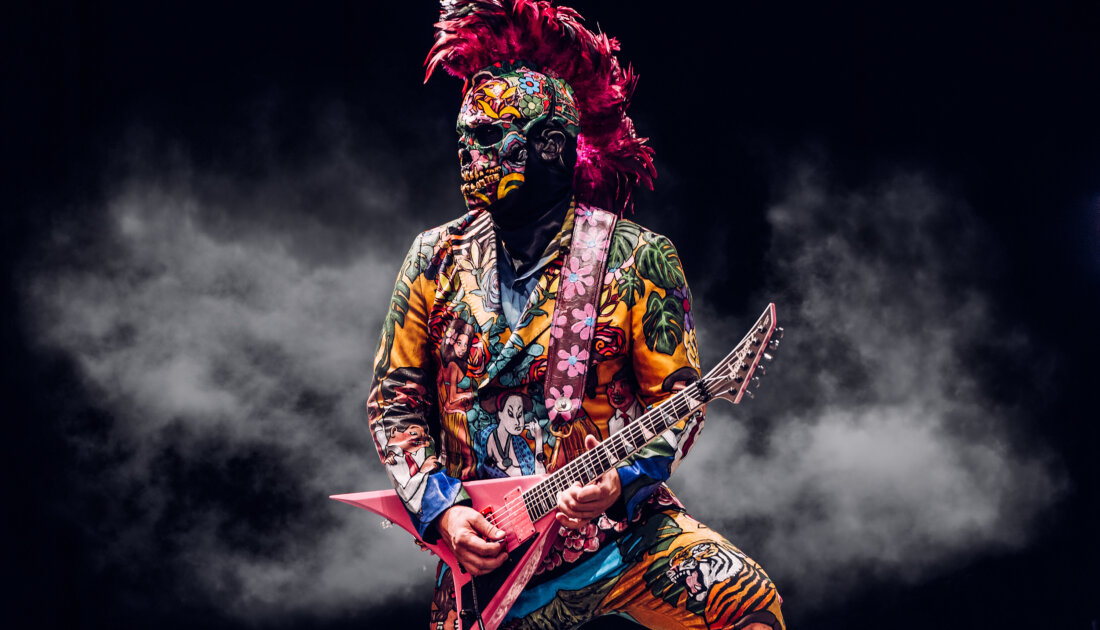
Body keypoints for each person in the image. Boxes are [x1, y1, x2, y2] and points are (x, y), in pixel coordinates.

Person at [367, 2, 785, 628]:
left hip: (628, 536)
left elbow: (678, 402)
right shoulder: (432, 258)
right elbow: (394, 404)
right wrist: (444, 513)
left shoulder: (637, 257)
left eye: (487, 138)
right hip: (494, 563)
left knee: (748, 607)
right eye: (462, 137)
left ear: (555, 148)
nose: (466, 152)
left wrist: (619, 482)